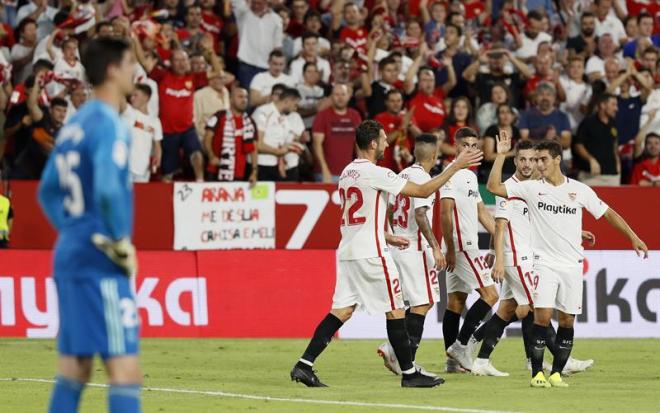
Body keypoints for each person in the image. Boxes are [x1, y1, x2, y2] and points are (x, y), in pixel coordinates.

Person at [290, 119, 483, 388]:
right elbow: (424, 190)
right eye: (383, 139)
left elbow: (363, 213)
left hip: (348, 251)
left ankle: (304, 365)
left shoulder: (347, 172)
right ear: (372, 144)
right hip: (372, 254)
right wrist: (456, 165)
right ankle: (409, 373)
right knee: (395, 311)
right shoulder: (375, 172)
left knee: (341, 311)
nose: (387, 143)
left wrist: (386, 233)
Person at [487, 135, 648, 388]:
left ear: (557, 160)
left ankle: (557, 374)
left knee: (567, 321)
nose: (538, 165)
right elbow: (494, 187)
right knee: (541, 316)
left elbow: (607, 213)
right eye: (536, 159)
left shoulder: (579, 190)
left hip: (572, 265)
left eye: (543, 159)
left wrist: (633, 237)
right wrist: (500, 155)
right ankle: (537, 374)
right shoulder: (530, 188)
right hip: (543, 263)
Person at [38, 36, 141, 413]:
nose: (135, 71)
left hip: (69, 254)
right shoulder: (108, 123)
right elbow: (110, 188)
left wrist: (73, 229)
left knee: (75, 368)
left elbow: (48, 192)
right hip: (100, 260)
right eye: (130, 63)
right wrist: (116, 241)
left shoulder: (74, 124)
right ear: (113, 69)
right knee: (124, 370)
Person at [471, 139, 593, 377]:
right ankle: (561, 360)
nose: (528, 164)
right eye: (523, 159)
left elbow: (538, 222)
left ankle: (480, 357)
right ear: (515, 160)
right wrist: (496, 257)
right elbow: (500, 225)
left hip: (528, 257)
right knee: (537, 307)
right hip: (517, 258)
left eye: (532, 159)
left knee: (507, 309)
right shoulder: (511, 188)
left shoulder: (535, 187)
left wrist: (576, 232)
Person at [377, 133, 446, 375]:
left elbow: (386, 209)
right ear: (435, 155)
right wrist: (436, 247)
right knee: (423, 302)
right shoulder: (422, 178)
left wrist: (393, 233)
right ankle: (401, 357)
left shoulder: (400, 176)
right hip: (415, 248)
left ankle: (398, 352)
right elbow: (420, 215)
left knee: (416, 303)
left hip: (398, 246)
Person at [440, 127, 498, 373]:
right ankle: (461, 346)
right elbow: (444, 213)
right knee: (491, 295)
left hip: (461, 246)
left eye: (475, 146)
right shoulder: (450, 174)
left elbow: (481, 210)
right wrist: (451, 249)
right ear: (456, 147)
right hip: (462, 246)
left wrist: (499, 233)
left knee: (456, 302)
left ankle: (452, 361)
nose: (471, 150)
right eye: (466, 145)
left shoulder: (470, 176)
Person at [134, 33, 222, 182]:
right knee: (168, 172)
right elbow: (143, 61)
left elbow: (218, 72)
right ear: (171, 63)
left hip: (187, 128)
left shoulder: (193, 78)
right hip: (167, 131)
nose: (181, 63)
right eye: (177, 60)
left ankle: (200, 181)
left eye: (184, 60)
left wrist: (211, 51)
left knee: (196, 154)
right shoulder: (162, 76)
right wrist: (134, 36)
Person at [204, 87, 257, 185]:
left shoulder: (250, 122)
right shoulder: (219, 116)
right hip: (216, 170)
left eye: (246, 97)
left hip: (239, 173)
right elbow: (207, 139)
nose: (244, 100)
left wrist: (254, 172)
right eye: (240, 97)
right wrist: (211, 156)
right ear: (231, 99)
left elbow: (253, 149)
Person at [312, 83, 362, 183]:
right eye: (336, 94)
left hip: (349, 174)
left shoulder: (355, 115)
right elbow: (317, 145)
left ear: (348, 96)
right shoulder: (322, 116)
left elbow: (359, 144)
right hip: (325, 174)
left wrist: (361, 169)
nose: (340, 98)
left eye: (343, 94)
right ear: (331, 97)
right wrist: (324, 170)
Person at [231, 0, 283, 88]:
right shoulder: (243, 14)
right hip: (247, 64)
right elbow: (236, 2)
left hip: (266, 66)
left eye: (259, 3)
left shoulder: (276, 19)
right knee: (247, 97)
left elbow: (277, 47)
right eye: (254, 2)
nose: (255, 6)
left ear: (266, 3)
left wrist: (276, 66)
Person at [253, 87, 301, 181]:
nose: (295, 109)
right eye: (294, 105)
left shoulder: (284, 119)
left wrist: (293, 147)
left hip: (276, 165)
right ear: (287, 101)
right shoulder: (263, 112)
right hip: (261, 165)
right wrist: (278, 152)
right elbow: (257, 144)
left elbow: (283, 142)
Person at [574, 93, 621, 186]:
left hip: (611, 176)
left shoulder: (614, 123)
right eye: (613, 105)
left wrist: (618, 163)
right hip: (590, 176)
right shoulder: (587, 123)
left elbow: (614, 145)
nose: (616, 108)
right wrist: (591, 159)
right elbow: (578, 145)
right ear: (603, 105)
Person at [122, 84, 163, 183]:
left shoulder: (155, 121)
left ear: (146, 97)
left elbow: (157, 144)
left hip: (143, 170)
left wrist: (158, 157)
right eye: (131, 95)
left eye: (135, 95)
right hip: (126, 167)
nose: (132, 98)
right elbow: (119, 98)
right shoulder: (129, 111)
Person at [519, 82, 571, 149]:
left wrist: (555, 137)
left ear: (554, 98)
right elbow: (524, 142)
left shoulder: (562, 116)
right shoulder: (526, 115)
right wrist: (546, 140)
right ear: (536, 97)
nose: (545, 98)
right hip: (534, 157)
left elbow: (566, 144)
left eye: (548, 95)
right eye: (541, 94)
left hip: (555, 158)